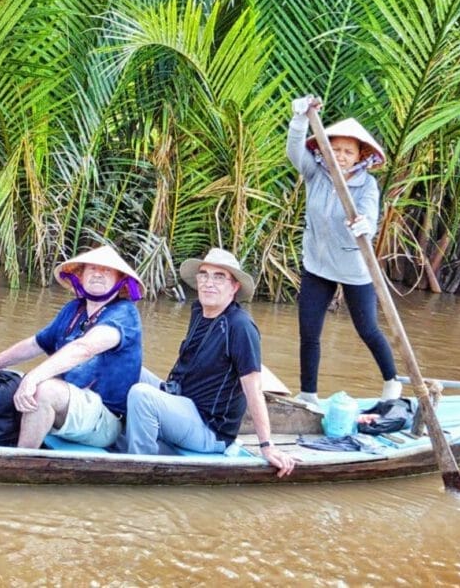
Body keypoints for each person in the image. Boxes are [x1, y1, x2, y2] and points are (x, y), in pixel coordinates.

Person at [124, 248, 296, 478]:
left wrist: (266, 445)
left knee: (141, 395)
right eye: (204, 274)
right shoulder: (199, 311)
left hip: (209, 429)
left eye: (219, 277)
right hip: (183, 401)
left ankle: (138, 470)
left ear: (234, 287)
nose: (208, 283)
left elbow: (253, 388)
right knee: (128, 367)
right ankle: (115, 432)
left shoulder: (240, 327)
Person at [287, 96, 400, 405]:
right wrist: (299, 120)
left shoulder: (368, 185)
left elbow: (368, 216)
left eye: (348, 151)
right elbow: (294, 151)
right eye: (334, 149)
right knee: (309, 332)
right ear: (324, 148)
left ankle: (392, 381)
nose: (340, 156)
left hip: (353, 268)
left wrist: (364, 225)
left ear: (360, 155)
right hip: (318, 265)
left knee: (368, 329)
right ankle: (308, 393)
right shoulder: (315, 174)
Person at [0, 245, 144, 449]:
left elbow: (85, 348)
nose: (98, 274)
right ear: (81, 275)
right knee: (8, 378)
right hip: (70, 405)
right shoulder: (73, 310)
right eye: (92, 269)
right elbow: (36, 344)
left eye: (106, 271)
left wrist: (34, 377)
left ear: (119, 281)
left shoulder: (125, 314)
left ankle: (21, 462)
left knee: (44, 390)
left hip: (104, 419)